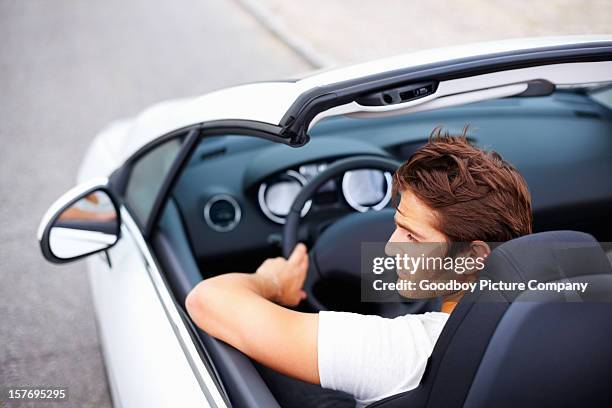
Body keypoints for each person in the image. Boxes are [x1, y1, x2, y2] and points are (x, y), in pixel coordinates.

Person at [185, 126, 533, 407]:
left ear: (473, 256)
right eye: (396, 224)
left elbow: (206, 300)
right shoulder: (558, 302)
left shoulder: (403, 352)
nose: (389, 247)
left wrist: (271, 282)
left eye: (412, 237)